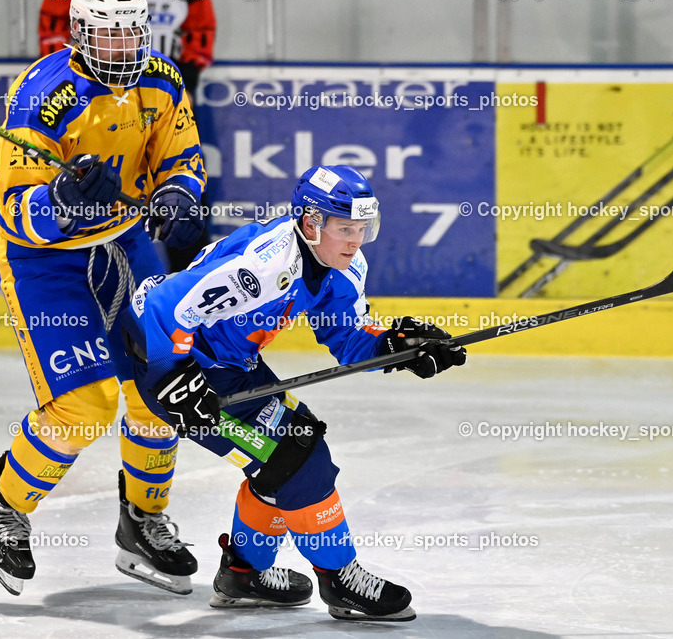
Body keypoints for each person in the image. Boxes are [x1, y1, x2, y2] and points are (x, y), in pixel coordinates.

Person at [120, 165, 467, 621]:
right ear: (310, 223)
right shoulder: (263, 265)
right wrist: (172, 378)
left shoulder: (342, 264)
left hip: (229, 368)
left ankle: (244, 575)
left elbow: (349, 338)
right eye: (345, 228)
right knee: (297, 459)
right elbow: (160, 309)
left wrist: (397, 346)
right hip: (167, 364)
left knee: (288, 452)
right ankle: (341, 578)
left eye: (363, 229)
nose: (355, 240)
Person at [0, 0, 208, 596]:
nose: (123, 44)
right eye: (108, 33)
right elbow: (13, 210)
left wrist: (179, 195)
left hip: (126, 244)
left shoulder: (162, 80)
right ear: (78, 32)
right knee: (86, 404)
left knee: (165, 381)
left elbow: (180, 157)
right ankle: (2, 509)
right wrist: (64, 199)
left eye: (132, 29)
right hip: (45, 262)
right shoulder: (42, 97)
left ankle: (142, 521)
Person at [39, 0, 217, 272]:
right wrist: (68, 79)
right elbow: (54, 18)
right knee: (80, 185)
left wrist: (187, 81)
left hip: (160, 89)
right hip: (89, 93)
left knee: (182, 194)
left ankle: (191, 286)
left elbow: (201, 25)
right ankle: (71, 272)